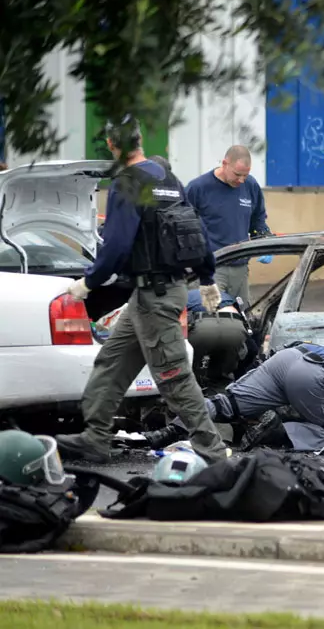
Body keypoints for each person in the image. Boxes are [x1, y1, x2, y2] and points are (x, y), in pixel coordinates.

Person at [55, 116, 229, 464]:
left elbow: (117, 245)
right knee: (112, 362)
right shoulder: (167, 177)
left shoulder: (127, 182)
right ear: (140, 140)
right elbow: (194, 230)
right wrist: (207, 277)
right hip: (155, 294)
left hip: (155, 298)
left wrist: (88, 283)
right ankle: (95, 437)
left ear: (111, 145)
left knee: (174, 377)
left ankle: (214, 452)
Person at [185, 145, 271, 304]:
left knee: (244, 317)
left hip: (241, 267)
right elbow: (183, 225)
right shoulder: (198, 188)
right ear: (225, 164)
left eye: (245, 175)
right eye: (237, 174)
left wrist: (264, 238)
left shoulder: (250, 185)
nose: (241, 180)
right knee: (214, 317)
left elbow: (258, 218)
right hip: (213, 269)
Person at [185, 287, 254, 393]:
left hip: (202, 326)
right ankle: (230, 395)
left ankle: (196, 394)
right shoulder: (224, 295)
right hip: (233, 325)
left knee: (192, 368)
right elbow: (251, 347)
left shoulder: (183, 296)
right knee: (222, 373)